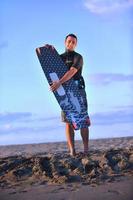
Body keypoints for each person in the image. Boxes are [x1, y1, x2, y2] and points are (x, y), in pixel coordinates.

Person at [50, 33, 91, 156]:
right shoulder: (59, 58)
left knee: (82, 119)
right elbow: (51, 70)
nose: (71, 43)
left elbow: (72, 72)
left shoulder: (78, 57)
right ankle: (72, 151)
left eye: (73, 42)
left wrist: (59, 83)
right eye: (69, 41)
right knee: (68, 121)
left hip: (78, 90)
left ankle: (86, 150)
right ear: (65, 42)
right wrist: (48, 50)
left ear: (76, 44)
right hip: (64, 92)